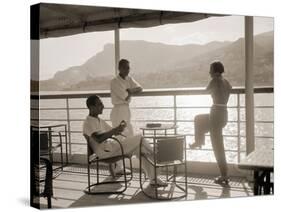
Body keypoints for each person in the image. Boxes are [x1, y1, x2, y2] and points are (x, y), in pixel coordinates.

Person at [83, 95, 167, 187]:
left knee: (141, 148)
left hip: (111, 147)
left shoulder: (99, 120)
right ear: (91, 107)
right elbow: (98, 138)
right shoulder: (88, 122)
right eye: (100, 104)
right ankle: (158, 155)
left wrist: (120, 128)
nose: (103, 106)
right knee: (140, 138)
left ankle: (153, 178)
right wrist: (114, 131)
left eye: (102, 104)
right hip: (105, 152)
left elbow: (113, 132)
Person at [189, 61, 232, 184]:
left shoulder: (215, 80)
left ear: (215, 71)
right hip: (223, 113)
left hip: (216, 114)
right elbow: (229, 90)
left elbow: (206, 91)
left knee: (217, 145)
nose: (209, 72)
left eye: (210, 69)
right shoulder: (226, 81)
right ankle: (199, 141)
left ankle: (224, 175)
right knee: (199, 119)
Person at [110, 59, 143, 137]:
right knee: (120, 136)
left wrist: (130, 90)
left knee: (130, 135)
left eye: (128, 68)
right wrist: (131, 92)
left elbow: (140, 88)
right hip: (118, 111)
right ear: (119, 68)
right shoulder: (115, 81)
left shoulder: (129, 79)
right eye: (124, 68)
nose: (127, 70)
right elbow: (125, 96)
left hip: (126, 110)